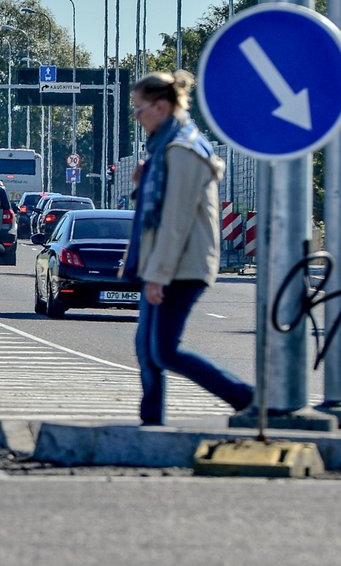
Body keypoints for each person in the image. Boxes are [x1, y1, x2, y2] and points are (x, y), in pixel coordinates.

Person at [122, 70, 254, 426]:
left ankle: (246, 397)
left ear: (161, 106)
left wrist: (158, 276)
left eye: (139, 109)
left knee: (163, 351)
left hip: (183, 266)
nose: (136, 117)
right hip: (167, 264)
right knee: (147, 350)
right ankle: (151, 422)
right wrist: (142, 182)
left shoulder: (181, 151)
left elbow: (176, 220)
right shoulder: (166, 147)